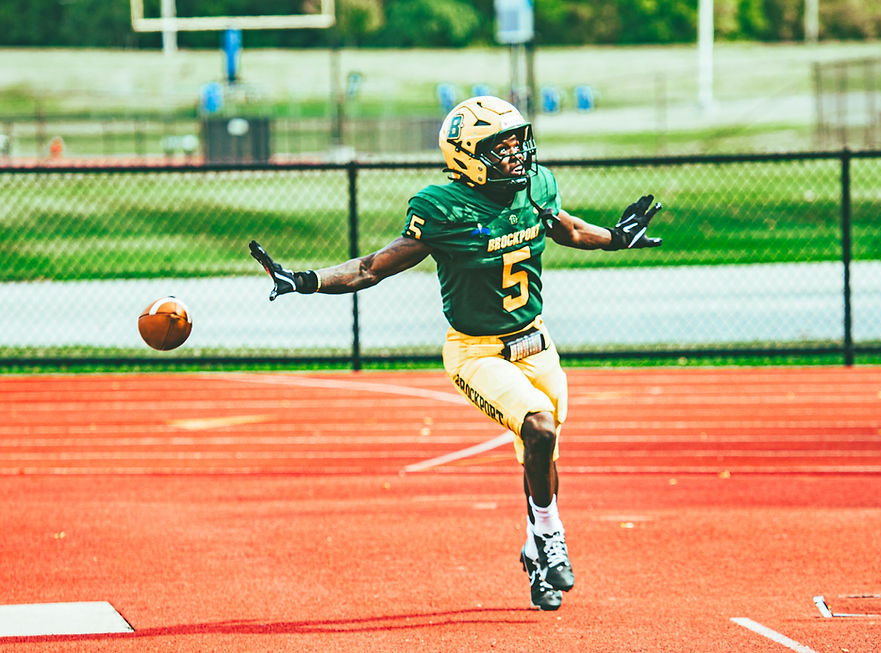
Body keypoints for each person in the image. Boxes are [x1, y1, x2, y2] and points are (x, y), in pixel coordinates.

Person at [249, 95, 662, 611]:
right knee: (538, 426)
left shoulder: (535, 186)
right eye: (501, 146)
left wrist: (615, 239)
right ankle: (552, 535)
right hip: (476, 351)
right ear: (467, 154)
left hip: (538, 342)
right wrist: (307, 280)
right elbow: (372, 267)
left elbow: (568, 228)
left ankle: (535, 553)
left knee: (541, 455)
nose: (515, 154)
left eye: (517, 142)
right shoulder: (443, 208)